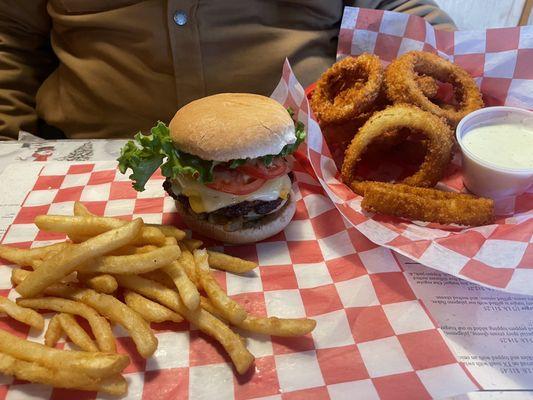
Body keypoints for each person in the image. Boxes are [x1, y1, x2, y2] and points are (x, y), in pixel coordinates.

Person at [0, 1, 454, 140]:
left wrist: (452, 81)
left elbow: (401, 10)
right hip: (80, 166)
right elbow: (10, 35)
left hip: (314, 164)